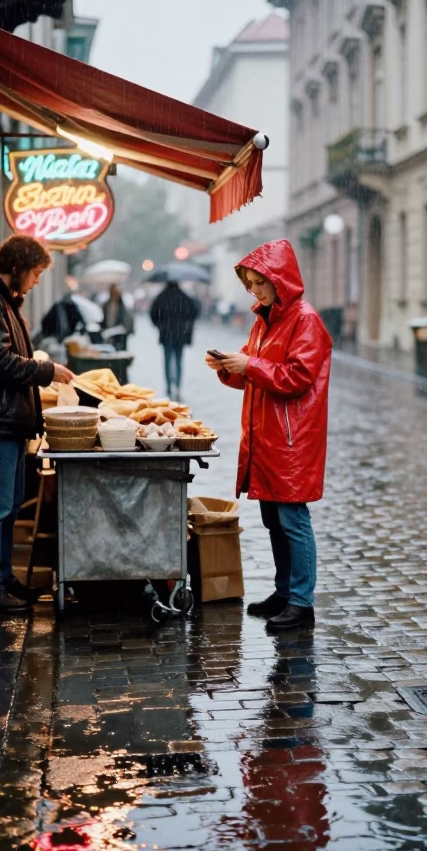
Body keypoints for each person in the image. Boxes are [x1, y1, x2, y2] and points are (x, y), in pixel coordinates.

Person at [206, 239, 331, 632]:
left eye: (261, 282)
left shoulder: (304, 320)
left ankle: (301, 601)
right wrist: (229, 366)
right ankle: (283, 591)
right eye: (250, 284)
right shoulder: (266, 320)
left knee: (293, 519)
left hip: (291, 439)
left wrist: (250, 365)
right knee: (274, 520)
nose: (255, 291)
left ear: (280, 280)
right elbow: (255, 370)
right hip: (267, 435)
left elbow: (296, 377)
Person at [0, 234, 74, 613]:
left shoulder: (3, 300)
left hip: (7, 421)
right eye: (36, 273)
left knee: (7, 505)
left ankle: (3, 578)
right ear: (19, 268)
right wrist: (46, 370)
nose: (37, 282)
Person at [149, 279, 200, 399]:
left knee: (167, 360)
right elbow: (195, 311)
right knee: (178, 359)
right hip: (180, 334)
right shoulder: (184, 297)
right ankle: (177, 386)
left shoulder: (161, 297)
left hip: (166, 334)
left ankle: (168, 386)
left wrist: (160, 325)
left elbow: (153, 313)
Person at [100, 283, 134, 350]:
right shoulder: (106, 305)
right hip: (109, 331)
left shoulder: (122, 306)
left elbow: (126, 320)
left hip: (119, 334)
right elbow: (103, 319)